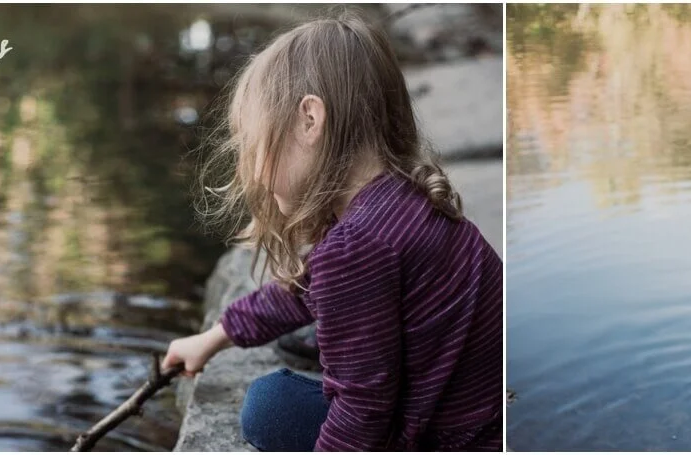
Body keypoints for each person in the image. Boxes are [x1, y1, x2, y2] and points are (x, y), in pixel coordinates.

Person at [160, 13, 503, 451]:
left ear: (310, 119)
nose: (251, 169)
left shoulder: (357, 248)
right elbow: (305, 288)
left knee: (270, 405)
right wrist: (214, 337)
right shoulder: (399, 198)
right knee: (311, 329)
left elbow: (363, 411)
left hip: (452, 437)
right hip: (479, 416)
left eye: (253, 143)